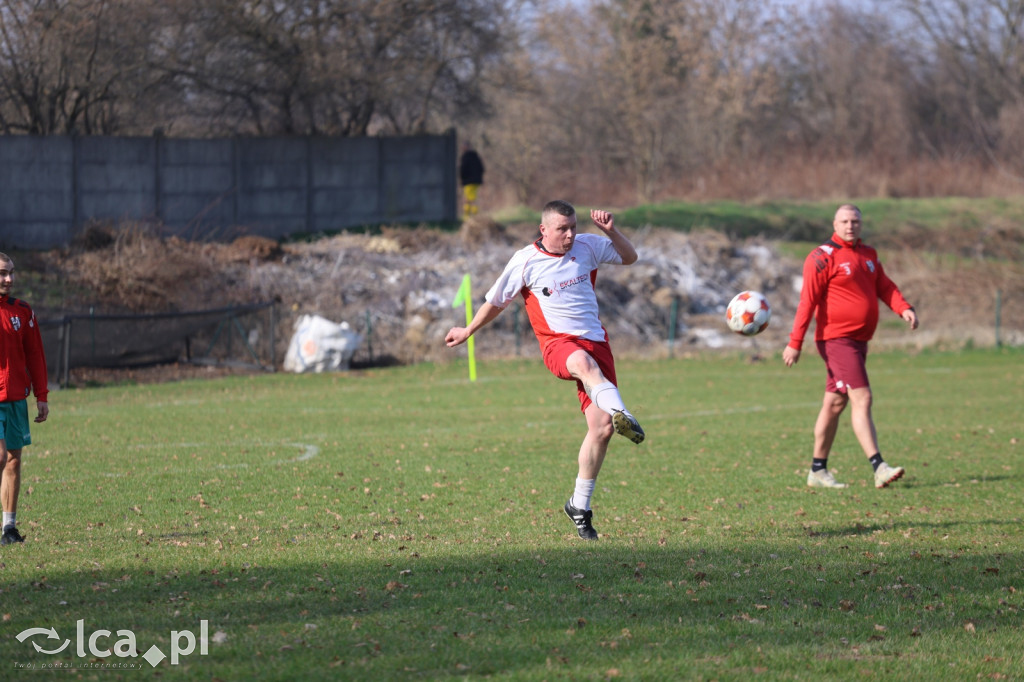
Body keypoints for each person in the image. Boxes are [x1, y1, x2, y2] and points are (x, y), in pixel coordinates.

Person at [445, 200, 644, 540]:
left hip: (596, 342)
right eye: (562, 229)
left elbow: (629, 257)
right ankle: (623, 412)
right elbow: (496, 301)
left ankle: (579, 506)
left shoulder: (588, 246)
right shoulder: (525, 261)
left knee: (601, 431)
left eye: (573, 227)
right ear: (544, 230)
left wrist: (612, 232)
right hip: (558, 345)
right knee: (583, 364)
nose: (569, 235)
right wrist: (468, 330)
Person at [783, 204, 918, 490]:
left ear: (861, 223)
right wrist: (795, 343)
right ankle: (878, 466)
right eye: (844, 221)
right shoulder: (821, 257)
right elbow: (807, 302)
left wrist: (903, 307)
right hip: (836, 340)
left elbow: (885, 286)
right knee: (862, 398)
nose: (850, 225)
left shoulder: (868, 254)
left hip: (859, 341)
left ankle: (817, 470)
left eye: (855, 221)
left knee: (835, 403)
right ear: (834, 223)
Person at [0, 252, 49, 546]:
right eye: (3, 273)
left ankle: (9, 528)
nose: (9, 279)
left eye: (11, 273)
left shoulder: (23, 311)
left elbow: (35, 355)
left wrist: (41, 395)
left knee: (13, 463)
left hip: (17, 397)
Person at [458, 143, 485, 216]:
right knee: (474, 199)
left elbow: (462, 170)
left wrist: (462, 179)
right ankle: (475, 216)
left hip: (468, 182)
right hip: (476, 182)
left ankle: (467, 217)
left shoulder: (465, 157)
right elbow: (482, 169)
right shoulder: (476, 156)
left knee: (467, 200)